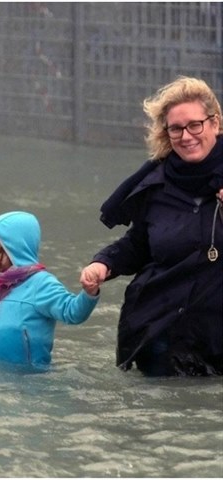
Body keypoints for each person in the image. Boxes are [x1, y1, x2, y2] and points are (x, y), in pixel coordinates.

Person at [80, 76, 223, 377]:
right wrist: (102, 264)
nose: (186, 136)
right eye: (176, 128)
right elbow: (138, 245)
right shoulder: (156, 185)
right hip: (159, 335)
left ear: (215, 123)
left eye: (194, 125)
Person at [0, 211, 100, 371]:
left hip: (28, 383)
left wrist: (89, 293)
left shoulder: (41, 284)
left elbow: (72, 312)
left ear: (15, 246)